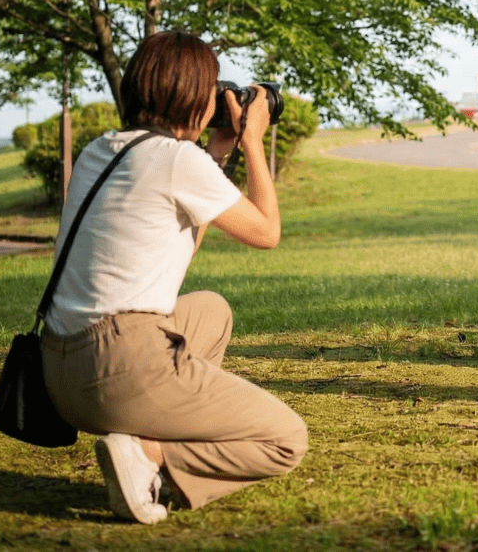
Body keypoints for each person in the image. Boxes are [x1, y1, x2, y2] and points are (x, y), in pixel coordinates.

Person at [41, 31, 307, 523]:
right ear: (191, 96)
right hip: (118, 368)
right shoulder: (174, 159)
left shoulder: (102, 150)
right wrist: (252, 140)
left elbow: (182, 248)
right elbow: (268, 232)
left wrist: (218, 152)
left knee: (212, 311)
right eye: (211, 90)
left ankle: (150, 438)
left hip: (58, 373)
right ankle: (150, 458)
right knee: (285, 438)